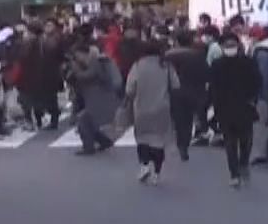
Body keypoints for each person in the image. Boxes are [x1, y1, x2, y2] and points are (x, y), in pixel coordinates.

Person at [121, 39, 178, 184]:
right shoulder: (166, 65)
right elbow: (176, 85)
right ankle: (157, 173)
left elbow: (130, 89)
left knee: (143, 139)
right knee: (159, 140)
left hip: (141, 108)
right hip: (162, 108)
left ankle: (144, 165)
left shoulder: (138, 65)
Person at [208, 32, 259, 188]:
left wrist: (214, 105)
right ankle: (240, 167)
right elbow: (257, 82)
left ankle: (236, 171)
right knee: (242, 140)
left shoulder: (218, 64)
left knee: (233, 142)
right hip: (242, 107)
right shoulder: (247, 62)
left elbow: (213, 88)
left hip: (228, 108)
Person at [165, 30, 211, 161]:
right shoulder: (197, 55)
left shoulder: (168, 56)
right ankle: (184, 143)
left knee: (177, 118)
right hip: (192, 90)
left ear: (177, 41)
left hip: (173, 91)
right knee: (188, 119)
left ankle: (179, 141)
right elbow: (206, 74)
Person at [69, 43, 121, 155]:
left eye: (77, 55)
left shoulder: (96, 62)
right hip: (97, 98)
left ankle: (89, 147)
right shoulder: (91, 62)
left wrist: (76, 70)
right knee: (88, 122)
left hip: (101, 99)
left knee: (83, 121)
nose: (77, 58)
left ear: (83, 53)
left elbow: (86, 76)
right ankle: (104, 142)